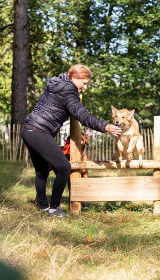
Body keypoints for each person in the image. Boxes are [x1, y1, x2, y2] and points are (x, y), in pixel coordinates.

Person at [21, 64, 122, 217]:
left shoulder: (57, 84)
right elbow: (82, 115)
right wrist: (105, 126)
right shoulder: (69, 90)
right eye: (84, 83)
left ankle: (43, 206)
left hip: (29, 129)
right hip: (39, 132)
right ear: (74, 78)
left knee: (42, 171)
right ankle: (54, 209)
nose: (85, 87)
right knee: (64, 168)